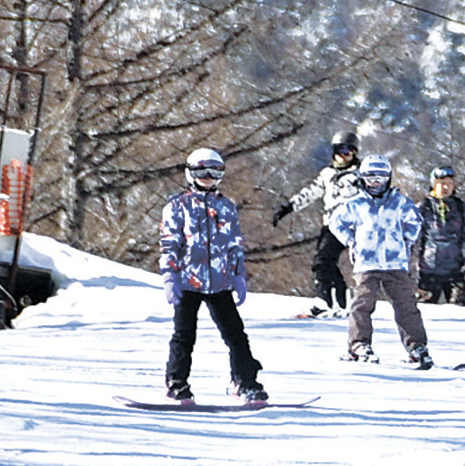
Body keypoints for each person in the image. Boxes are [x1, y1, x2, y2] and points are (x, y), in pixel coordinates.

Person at [160, 148, 268, 404]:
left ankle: (245, 382)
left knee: (236, 335)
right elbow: (169, 243)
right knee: (184, 336)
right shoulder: (178, 206)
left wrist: (238, 275)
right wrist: (169, 275)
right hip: (188, 280)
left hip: (220, 282)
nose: (208, 177)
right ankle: (177, 384)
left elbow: (234, 243)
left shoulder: (226, 207)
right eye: (202, 172)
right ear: (190, 173)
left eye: (214, 172)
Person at [328, 154, 433, 369]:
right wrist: (351, 241)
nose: (375, 183)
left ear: (388, 178)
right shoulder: (356, 204)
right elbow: (335, 222)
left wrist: (406, 241)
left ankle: (417, 346)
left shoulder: (399, 202)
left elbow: (415, 221)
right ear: (362, 178)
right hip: (367, 263)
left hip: (395, 263)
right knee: (362, 304)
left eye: (380, 178)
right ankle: (359, 344)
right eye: (370, 178)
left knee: (406, 305)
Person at [272, 130, 362, 317]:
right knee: (327, 262)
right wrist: (288, 207)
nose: (343, 156)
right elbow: (311, 191)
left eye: (348, 152)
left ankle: (324, 301)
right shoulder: (328, 174)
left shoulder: (359, 175)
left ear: (354, 153)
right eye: (339, 151)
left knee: (322, 261)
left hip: (348, 224)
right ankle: (340, 301)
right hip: (330, 224)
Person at [416, 165, 465, 305]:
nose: (446, 188)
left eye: (449, 184)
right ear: (434, 185)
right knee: (425, 311)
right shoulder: (424, 207)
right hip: (429, 269)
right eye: (442, 184)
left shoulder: (461, 208)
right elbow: (410, 236)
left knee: (460, 310)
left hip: (455, 269)